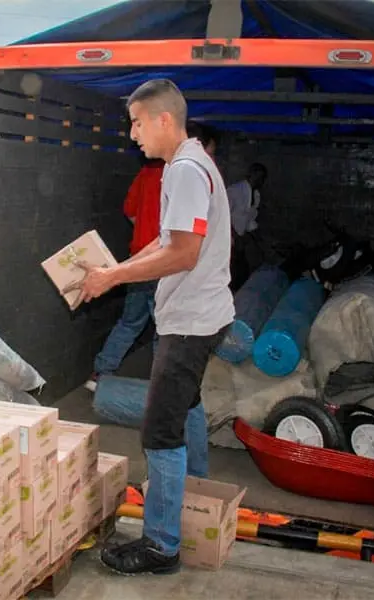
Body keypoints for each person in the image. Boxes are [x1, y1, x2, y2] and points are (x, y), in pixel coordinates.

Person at [72, 78, 233, 575]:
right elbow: (166, 241)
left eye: (137, 124)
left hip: (189, 322)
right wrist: (114, 269)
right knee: (186, 407)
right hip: (202, 317)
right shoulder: (190, 165)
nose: (133, 135)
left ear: (164, 120)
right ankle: (196, 489)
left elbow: (183, 255)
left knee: (160, 430)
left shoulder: (184, 170)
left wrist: (113, 276)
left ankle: (161, 545)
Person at [84, 121, 219, 391]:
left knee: (130, 322)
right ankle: (162, 385)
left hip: (139, 261)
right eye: (210, 152)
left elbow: (130, 210)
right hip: (166, 265)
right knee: (165, 329)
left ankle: (100, 373)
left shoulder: (148, 172)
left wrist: (145, 236)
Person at [227, 162, 268, 290]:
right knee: (233, 272)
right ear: (252, 175)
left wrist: (262, 241)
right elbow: (223, 216)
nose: (261, 182)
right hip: (228, 239)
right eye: (260, 177)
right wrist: (234, 236)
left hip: (240, 241)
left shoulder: (256, 196)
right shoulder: (234, 191)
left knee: (241, 273)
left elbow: (250, 222)